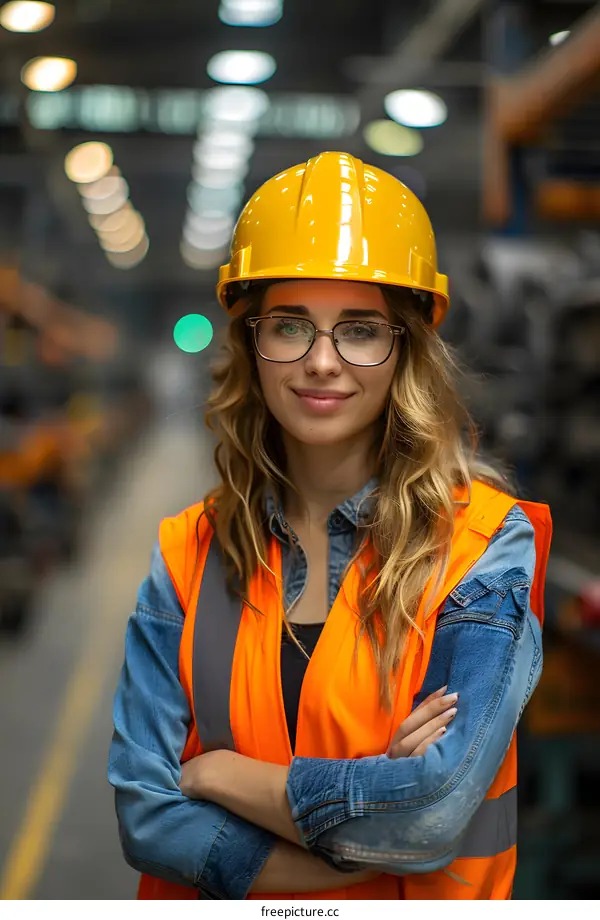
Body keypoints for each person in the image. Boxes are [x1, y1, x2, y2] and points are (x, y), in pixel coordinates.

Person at [108, 151, 552, 900]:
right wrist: (360, 831)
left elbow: (431, 816)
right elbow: (145, 817)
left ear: (404, 346)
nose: (322, 361)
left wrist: (220, 777)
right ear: (252, 344)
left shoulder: (481, 545)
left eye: (359, 330)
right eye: (290, 326)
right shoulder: (188, 552)